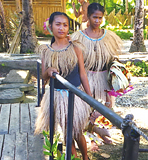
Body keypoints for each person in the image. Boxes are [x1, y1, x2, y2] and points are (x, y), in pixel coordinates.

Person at [34, 11, 92, 160]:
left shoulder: (75, 48)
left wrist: (90, 98)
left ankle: (85, 157)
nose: (62, 28)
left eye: (65, 25)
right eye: (58, 24)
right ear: (50, 26)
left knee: (77, 131)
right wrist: (48, 71)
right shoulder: (46, 51)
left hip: (76, 95)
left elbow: (83, 74)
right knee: (67, 132)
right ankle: (74, 157)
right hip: (57, 96)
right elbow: (44, 78)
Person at [71, 3, 123, 148]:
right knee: (84, 105)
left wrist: (115, 75)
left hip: (103, 76)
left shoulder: (109, 37)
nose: (97, 21)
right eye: (94, 17)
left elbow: (113, 59)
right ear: (88, 16)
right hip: (86, 75)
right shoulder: (78, 37)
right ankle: (85, 131)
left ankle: (103, 132)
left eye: (100, 18)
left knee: (106, 106)